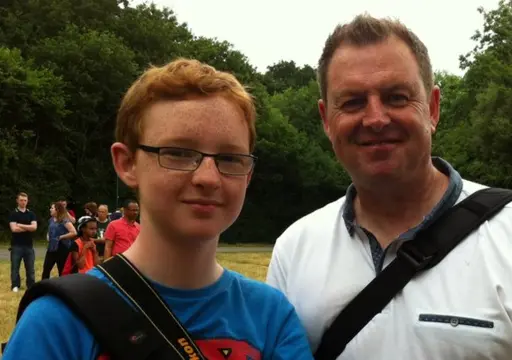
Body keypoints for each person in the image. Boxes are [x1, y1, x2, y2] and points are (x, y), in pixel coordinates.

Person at [265, 14, 512, 359]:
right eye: (353, 102)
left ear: (432, 108)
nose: (375, 118)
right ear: (327, 120)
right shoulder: (294, 249)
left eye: (396, 97)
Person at [3, 58, 312, 359]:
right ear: (127, 164)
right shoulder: (59, 322)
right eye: (178, 153)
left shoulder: (272, 319)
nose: (208, 177)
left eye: (230, 158)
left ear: (248, 175)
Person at [8, 192, 37, 292]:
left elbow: (34, 227)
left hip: (29, 245)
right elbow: (14, 229)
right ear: (17, 201)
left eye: (25, 200)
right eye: (21, 200)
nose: (23, 202)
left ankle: (31, 285)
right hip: (16, 245)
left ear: (27, 201)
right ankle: (15, 285)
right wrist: (28, 227)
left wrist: (20, 225)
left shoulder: (31, 214)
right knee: (15, 268)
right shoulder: (13, 214)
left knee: (30, 268)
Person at [42, 202, 77, 279]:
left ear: (57, 210)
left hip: (62, 247)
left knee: (62, 269)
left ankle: (62, 287)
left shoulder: (64, 220)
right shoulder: (51, 220)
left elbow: (74, 232)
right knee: (46, 268)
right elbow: (50, 230)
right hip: (52, 247)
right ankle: (43, 286)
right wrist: (48, 236)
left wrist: (60, 237)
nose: (50, 209)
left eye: (52, 208)